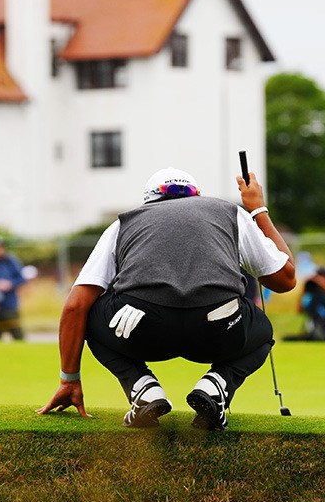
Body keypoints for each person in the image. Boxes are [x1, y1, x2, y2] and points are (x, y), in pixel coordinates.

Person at [38, 166, 295, 430]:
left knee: (91, 316)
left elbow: (75, 306)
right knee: (262, 331)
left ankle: (143, 389)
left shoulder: (124, 223)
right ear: (196, 196)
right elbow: (285, 279)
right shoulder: (230, 213)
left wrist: (69, 380)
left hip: (144, 330)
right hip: (218, 328)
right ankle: (217, 386)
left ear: (148, 201)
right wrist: (258, 210)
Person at [288, 266, 325, 342]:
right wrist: (305, 289)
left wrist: (319, 280)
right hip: (314, 330)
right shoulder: (310, 297)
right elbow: (299, 310)